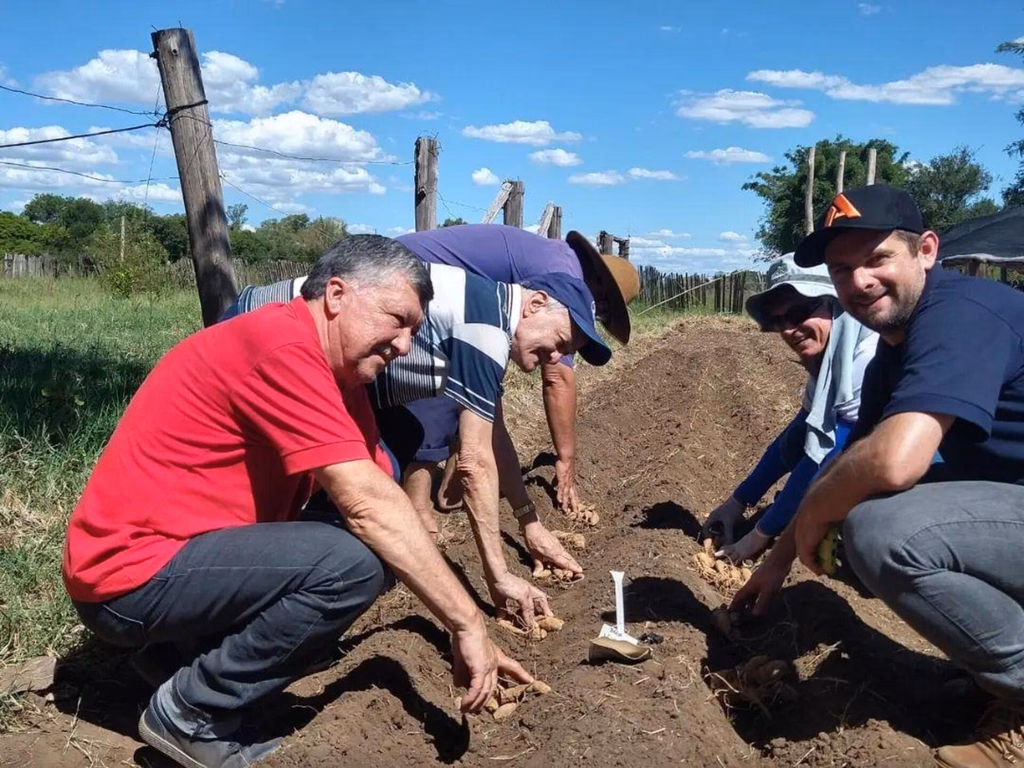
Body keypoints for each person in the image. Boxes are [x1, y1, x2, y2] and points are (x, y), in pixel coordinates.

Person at [63, 237, 533, 768]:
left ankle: (175, 658)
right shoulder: (280, 346)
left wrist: (459, 616)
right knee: (353, 564)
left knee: (379, 545)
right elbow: (369, 507)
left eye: (414, 332)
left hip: (172, 559)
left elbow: (384, 497)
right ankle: (192, 710)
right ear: (336, 294)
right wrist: (466, 623)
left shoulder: (340, 377)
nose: (405, 345)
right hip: (127, 578)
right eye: (397, 320)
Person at [732, 185, 1024, 767]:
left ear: (927, 251)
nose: (859, 281)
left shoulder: (960, 313)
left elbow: (893, 461)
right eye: (843, 269)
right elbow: (853, 458)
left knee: (881, 532)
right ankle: (996, 673)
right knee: (845, 538)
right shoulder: (897, 346)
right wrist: (780, 558)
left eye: (877, 258)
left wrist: (812, 514)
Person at [232, 248, 614, 628]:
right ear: (536, 303)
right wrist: (498, 576)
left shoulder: (491, 314)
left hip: (304, 353)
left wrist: (528, 521)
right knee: (291, 484)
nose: (555, 359)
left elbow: (494, 436)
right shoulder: (485, 328)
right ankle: (287, 591)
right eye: (561, 342)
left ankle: (307, 575)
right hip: (263, 331)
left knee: (395, 448)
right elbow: (475, 464)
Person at [393, 225, 639, 526]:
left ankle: (449, 486)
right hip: (410, 279)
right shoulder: (564, 283)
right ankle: (416, 508)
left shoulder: (559, 261)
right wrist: (566, 457)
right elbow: (557, 378)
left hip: (419, 276)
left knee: (475, 386)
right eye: (603, 308)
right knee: (442, 384)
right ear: (599, 287)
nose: (597, 314)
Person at [701, 255, 877, 563]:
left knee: (835, 547)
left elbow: (826, 454)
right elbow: (800, 435)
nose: (788, 330)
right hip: (864, 465)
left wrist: (758, 537)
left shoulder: (866, 359)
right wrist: (738, 501)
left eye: (799, 313)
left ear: (835, 303)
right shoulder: (829, 357)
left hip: (921, 485)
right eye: (778, 321)